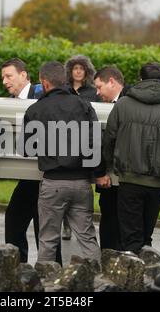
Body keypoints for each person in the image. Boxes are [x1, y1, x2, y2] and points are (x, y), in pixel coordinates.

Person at [22, 61, 105, 263]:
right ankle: (97, 283)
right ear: (65, 80)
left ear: (44, 83)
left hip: (52, 183)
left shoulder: (36, 110)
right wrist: (100, 172)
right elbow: (96, 143)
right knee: (87, 238)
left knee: (48, 240)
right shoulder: (84, 105)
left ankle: (47, 285)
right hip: (81, 182)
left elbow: (27, 149)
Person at [103, 62, 160, 253]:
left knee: (130, 234)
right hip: (158, 181)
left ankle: (133, 275)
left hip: (129, 179)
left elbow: (109, 138)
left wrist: (110, 166)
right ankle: (145, 268)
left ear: (140, 80)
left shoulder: (123, 105)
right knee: (146, 233)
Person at [1, 58, 62, 264]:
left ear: (24, 75)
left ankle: (48, 270)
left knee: (40, 225)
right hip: (32, 174)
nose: (4, 81)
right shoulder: (12, 102)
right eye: (3, 77)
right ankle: (22, 267)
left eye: (9, 76)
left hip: (47, 172)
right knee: (17, 220)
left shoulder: (41, 94)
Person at [91, 66, 130, 250]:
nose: (97, 93)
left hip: (124, 175)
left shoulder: (129, 103)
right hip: (109, 178)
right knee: (108, 219)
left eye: (99, 87)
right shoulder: (108, 104)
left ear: (112, 82)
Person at [61, 55, 100, 240]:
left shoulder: (93, 92)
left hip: (85, 138)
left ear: (86, 71)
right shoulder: (64, 90)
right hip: (66, 137)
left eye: (81, 68)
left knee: (82, 187)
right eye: (74, 68)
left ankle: (83, 226)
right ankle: (66, 225)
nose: (77, 71)